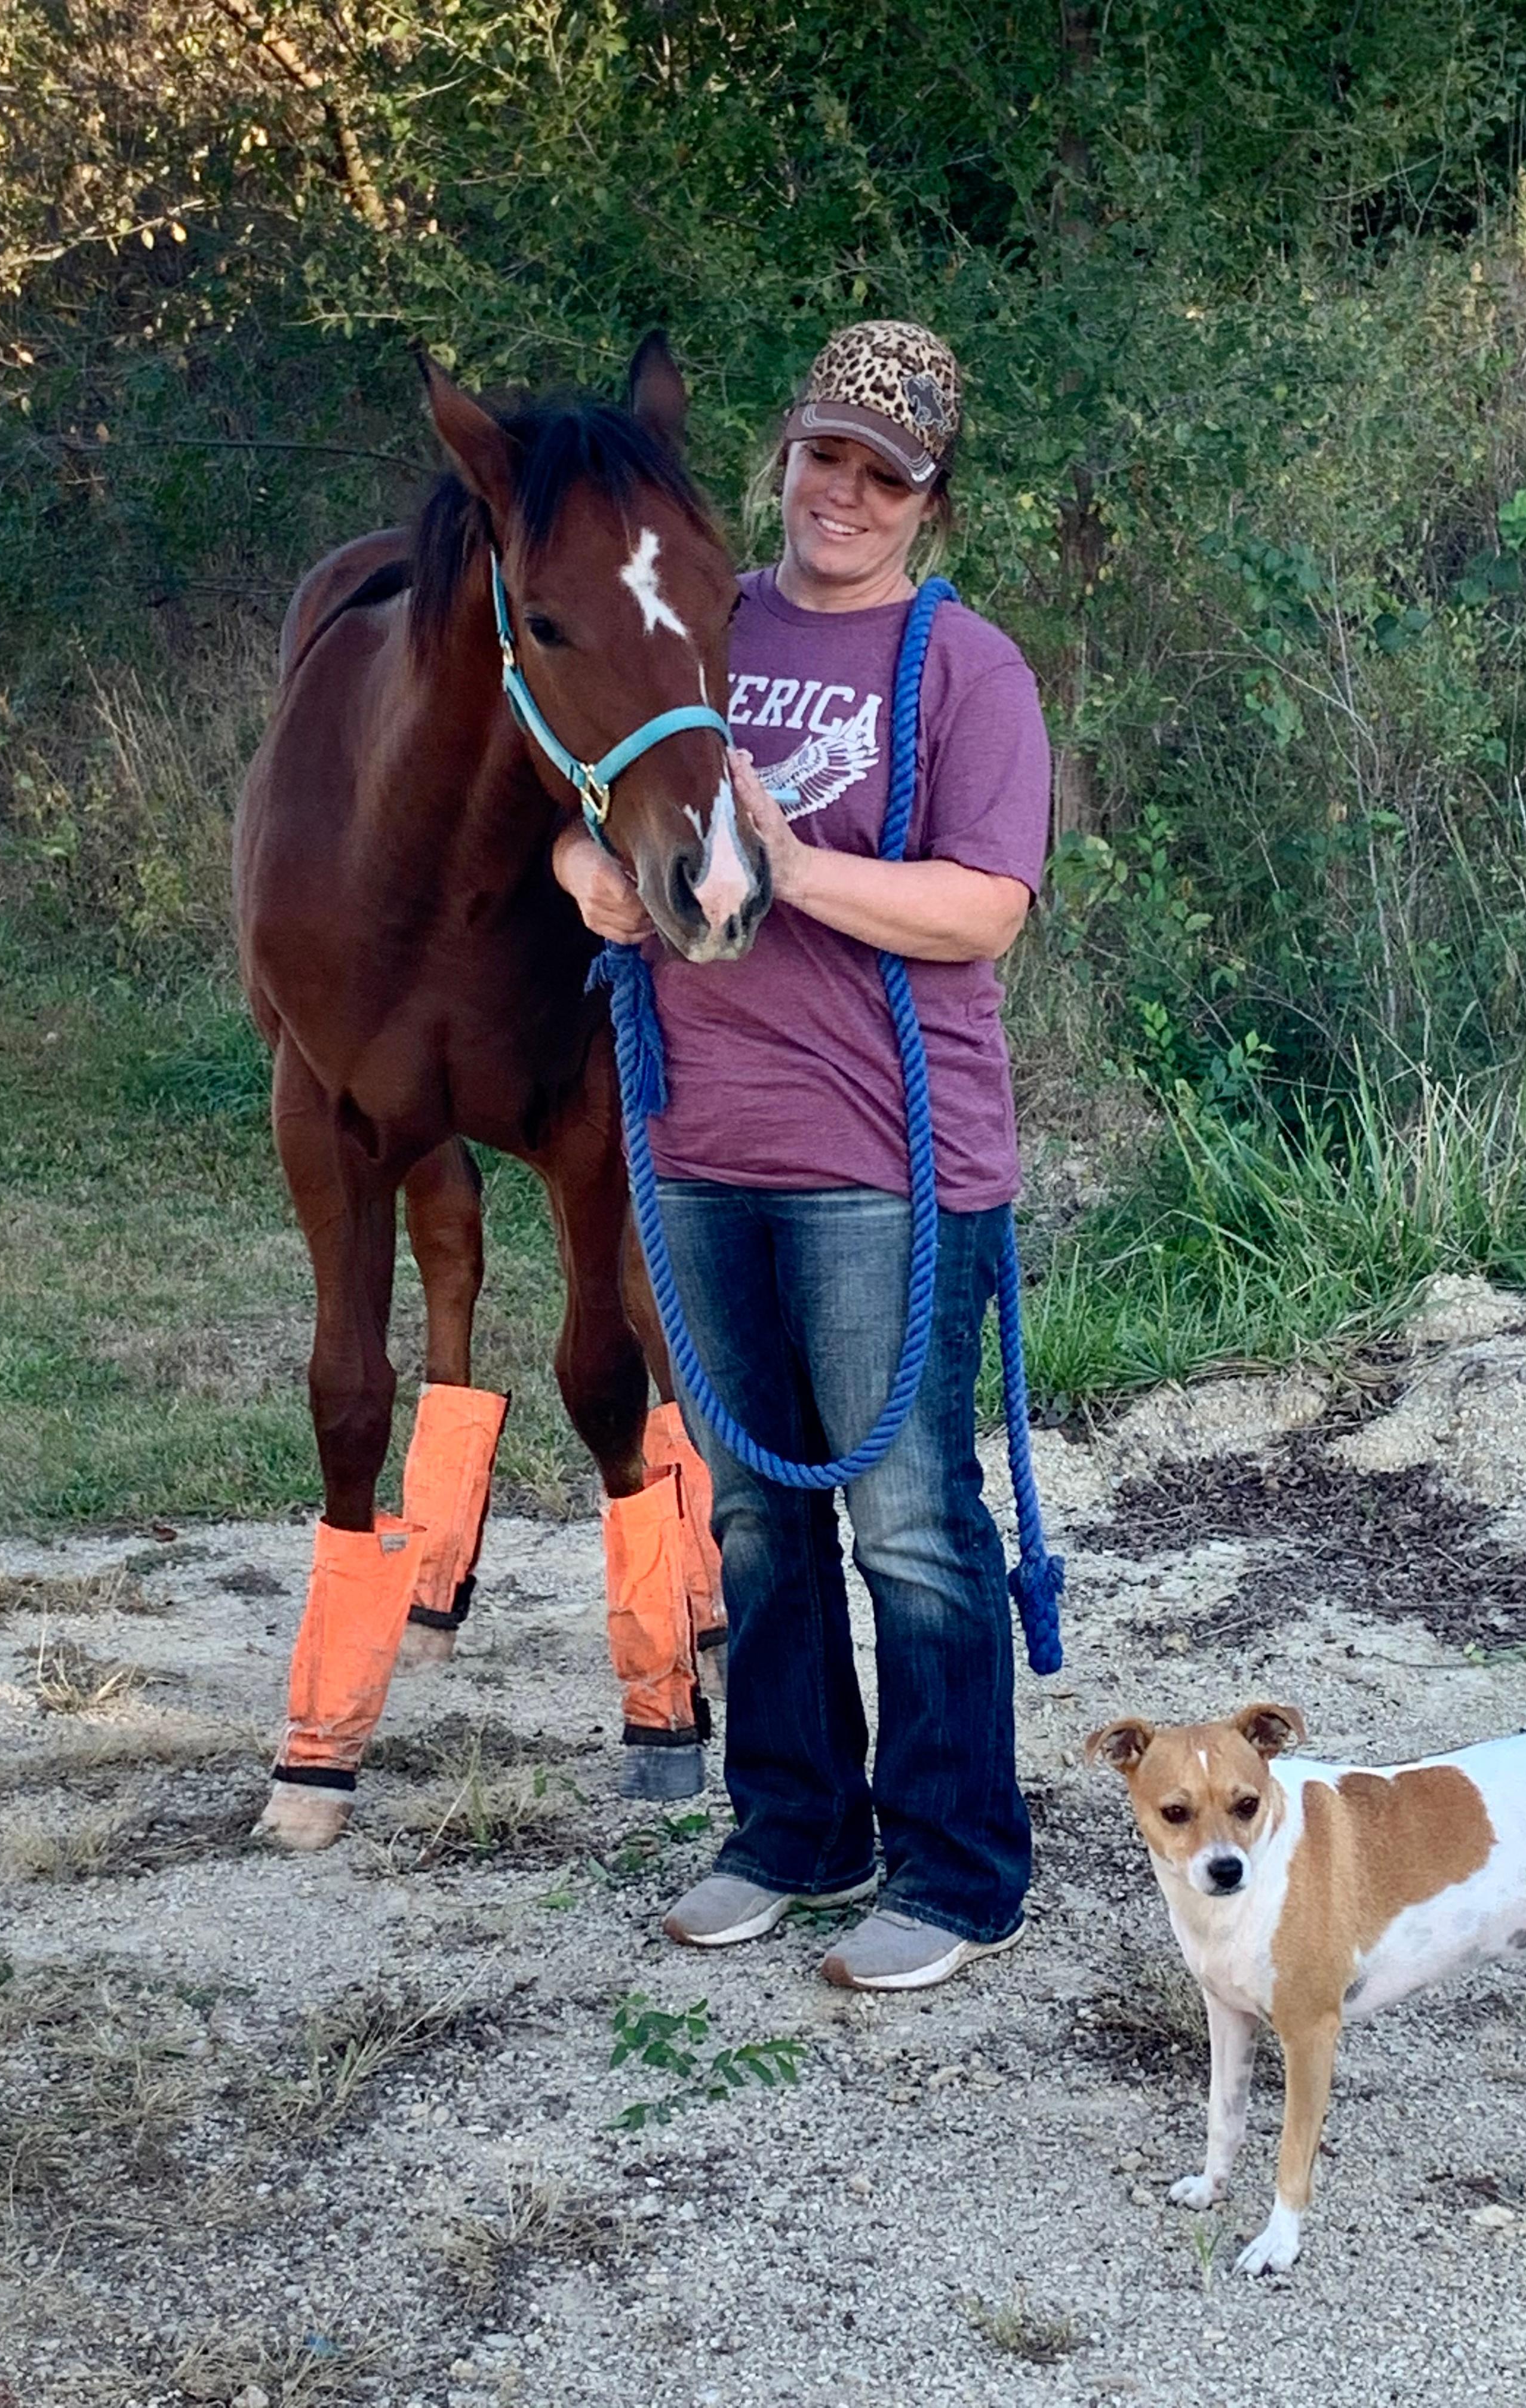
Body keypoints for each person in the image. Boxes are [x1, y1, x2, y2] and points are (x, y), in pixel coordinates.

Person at [553, 320, 1051, 1990]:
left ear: (930, 500)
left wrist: (785, 867)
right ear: (783, 455)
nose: (842, 492)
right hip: (698, 1141)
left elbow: (986, 908)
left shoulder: (963, 667)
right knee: (758, 1517)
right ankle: (794, 1829)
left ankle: (959, 1864)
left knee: (910, 1518)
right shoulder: (708, 607)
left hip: (886, 1159)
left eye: (882, 473)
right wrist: (584, 873)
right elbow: (592, 769)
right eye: (822, 456)